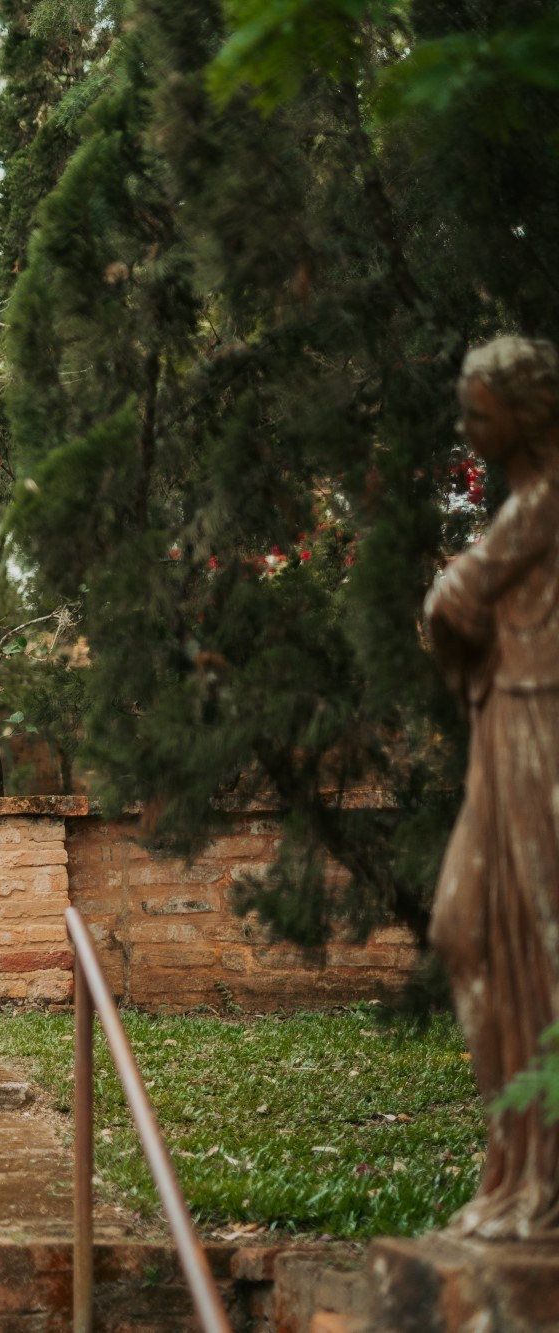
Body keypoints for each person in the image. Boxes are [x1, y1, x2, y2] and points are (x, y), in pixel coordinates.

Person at [424, 334, 559, 1240]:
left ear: (526, 411)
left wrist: (449, 603)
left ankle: (538, 1177)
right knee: (463, 928)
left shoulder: (544, 507)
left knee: (541, 948)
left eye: (481, 412)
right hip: (502, 727)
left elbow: (457, 598)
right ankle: (512, 1160)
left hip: (541, 738)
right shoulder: (523, 509)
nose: (469, 427)